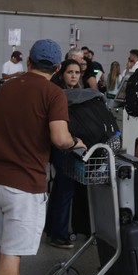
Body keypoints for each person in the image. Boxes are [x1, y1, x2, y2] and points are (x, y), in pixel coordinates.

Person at [0, 38, 79, 275]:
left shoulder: (7, 88)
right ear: (59, 68)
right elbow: (60, 138)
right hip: (23, 186)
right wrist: (78, 142)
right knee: (12, 253)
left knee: (7, 250)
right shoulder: (54, 93)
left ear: (29, 62)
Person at [45, 59, 84, 249]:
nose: (74, 76)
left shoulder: (72, 93)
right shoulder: (59, 94)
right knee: (66, 188)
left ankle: (53, 229)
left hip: (66, 145)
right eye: (70, 72)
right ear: (62, 74)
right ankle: (59, 234)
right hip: (64, 145)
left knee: (60, 187)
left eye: (77, 72)